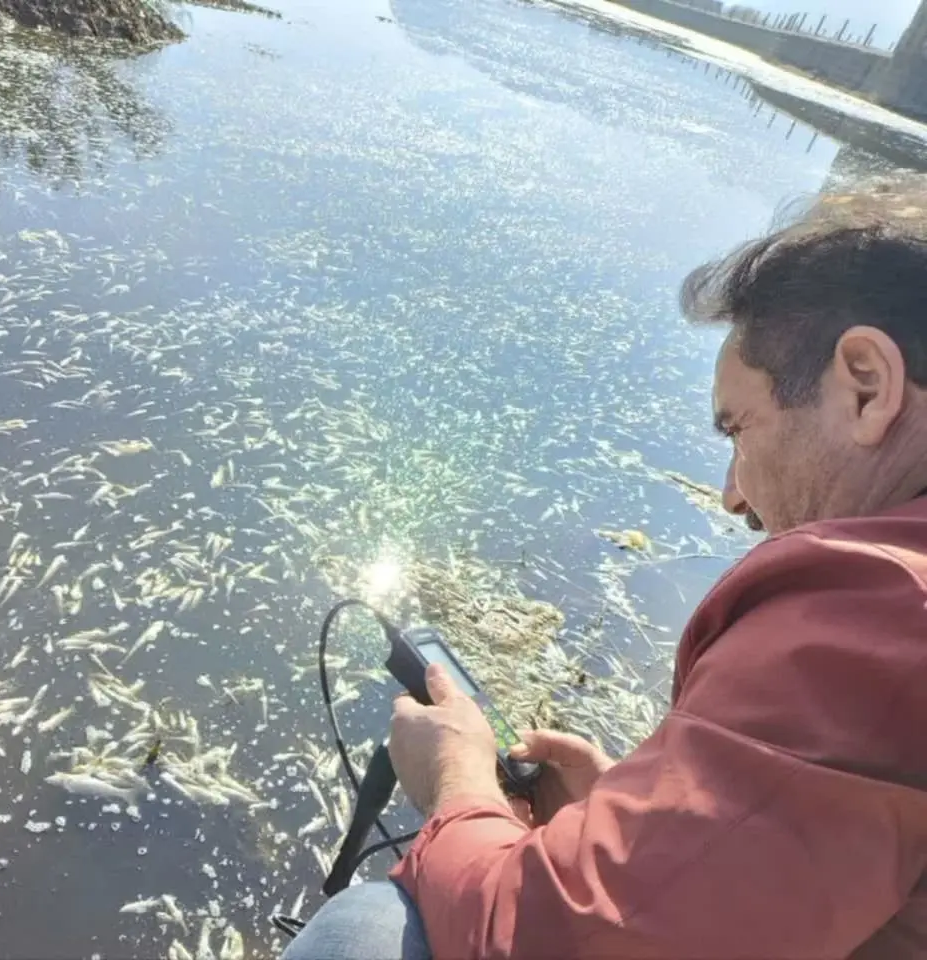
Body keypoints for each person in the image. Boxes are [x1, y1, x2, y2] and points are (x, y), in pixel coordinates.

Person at [282, 181, 927, 959]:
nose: (732, 498)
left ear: (866, 384)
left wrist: (458, 783)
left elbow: (540, 940)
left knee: (367, 929)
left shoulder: (877, 617)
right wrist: (649, 816)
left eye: (738, 428)